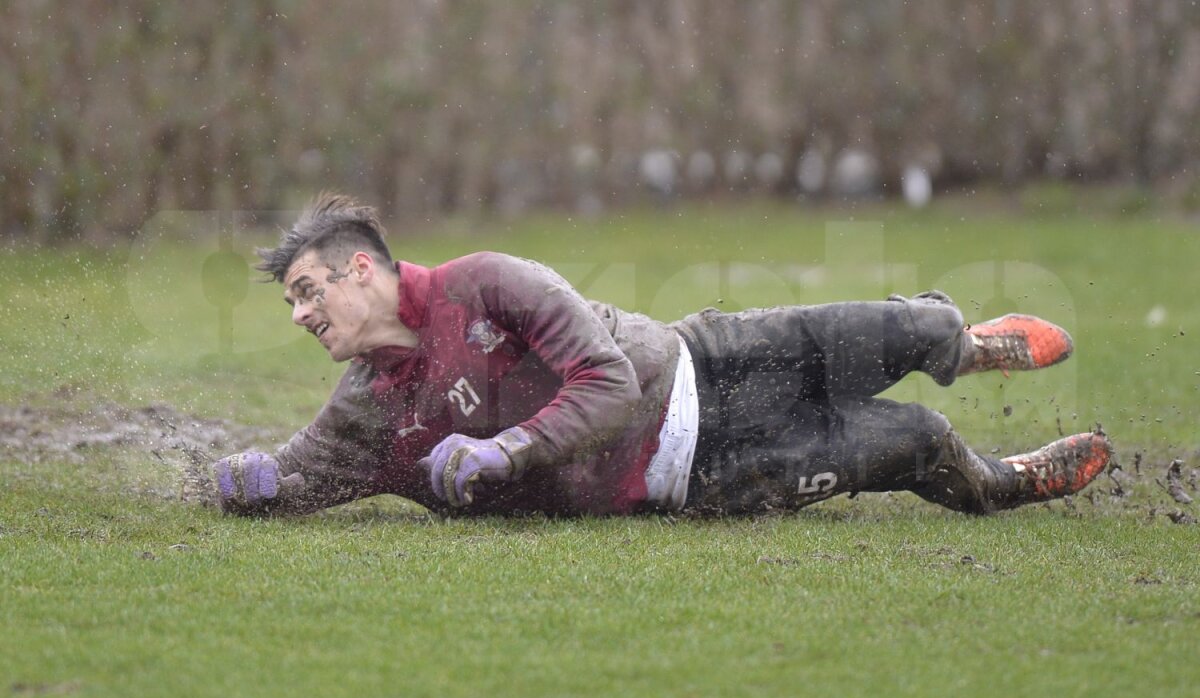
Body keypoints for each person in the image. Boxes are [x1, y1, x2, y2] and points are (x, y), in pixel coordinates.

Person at [211, 194, 1111, 518]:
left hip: (704, 361)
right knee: (916, 441)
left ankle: (969, 344)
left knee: (911, 333)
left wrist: (505, 448)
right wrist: (248, 484)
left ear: (360, 268)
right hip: (703, 471)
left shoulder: (482, 282)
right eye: (293, 300)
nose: (299, 314)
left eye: (306, 291)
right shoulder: (369, 409)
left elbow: (603, 382)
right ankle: (1005, 481)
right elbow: (302, 477)